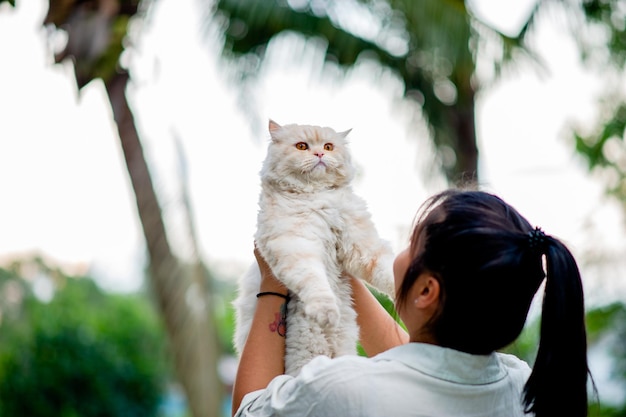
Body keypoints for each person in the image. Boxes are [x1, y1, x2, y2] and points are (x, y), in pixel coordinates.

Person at [231, 189, 591, 417]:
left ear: (426, 292)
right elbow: (420, 363)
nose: (401, 253)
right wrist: (336, 264)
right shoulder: (519, 386)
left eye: (412, 242)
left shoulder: (341, 390)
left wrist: (275, 281)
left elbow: (248, 410)